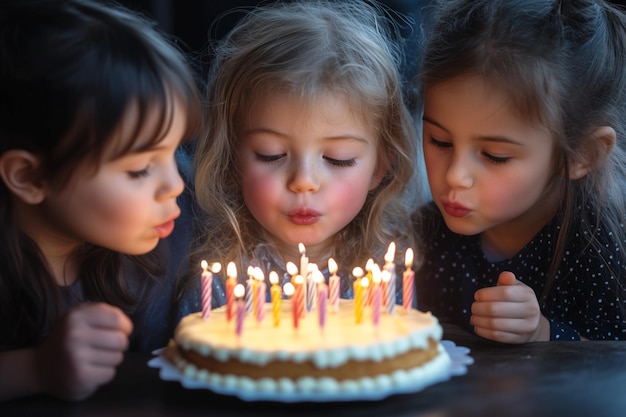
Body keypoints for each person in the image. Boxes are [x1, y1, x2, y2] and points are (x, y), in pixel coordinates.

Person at [0, 0, 202, 401]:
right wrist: (36, 368)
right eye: (141, 168)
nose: (176, 184)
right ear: (29, 176)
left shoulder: (177, 242)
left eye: (176, 151)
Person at [175, 0, 421, 317]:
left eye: (338, 159)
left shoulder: (389, 269)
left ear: (380, 168)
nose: (303, 181)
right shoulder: (220, 279)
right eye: (271, 155)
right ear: (231, 159)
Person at [414, 0, 626, 343]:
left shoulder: (598, 247)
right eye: (440, 141)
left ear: (581, 154)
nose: (455, 176)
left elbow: (615, 366)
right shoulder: (423, 234)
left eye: (495, 156)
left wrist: (544, 332)